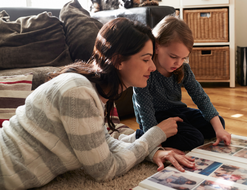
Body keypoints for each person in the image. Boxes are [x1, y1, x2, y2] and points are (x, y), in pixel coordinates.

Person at [0, 17, 195, 190]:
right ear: (119, 61)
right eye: (146, 59)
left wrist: (152, 152)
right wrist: (155, 135)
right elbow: (104, 169)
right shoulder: (78, 93)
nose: (153, 67)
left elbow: (104, 143)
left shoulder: (90, 91)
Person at [133, 16, 231, 151]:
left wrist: (219, 129)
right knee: (195, 139)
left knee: (217, 123)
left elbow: (200, 97)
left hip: (178, 111)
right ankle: (140, 136)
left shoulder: (182, 69)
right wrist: (154, 141)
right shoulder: (145, 72)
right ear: (157, 46)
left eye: (183, 58)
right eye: (173, 57)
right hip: (156, 117)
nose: (178, 63)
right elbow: (145, 110)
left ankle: (185, 131)